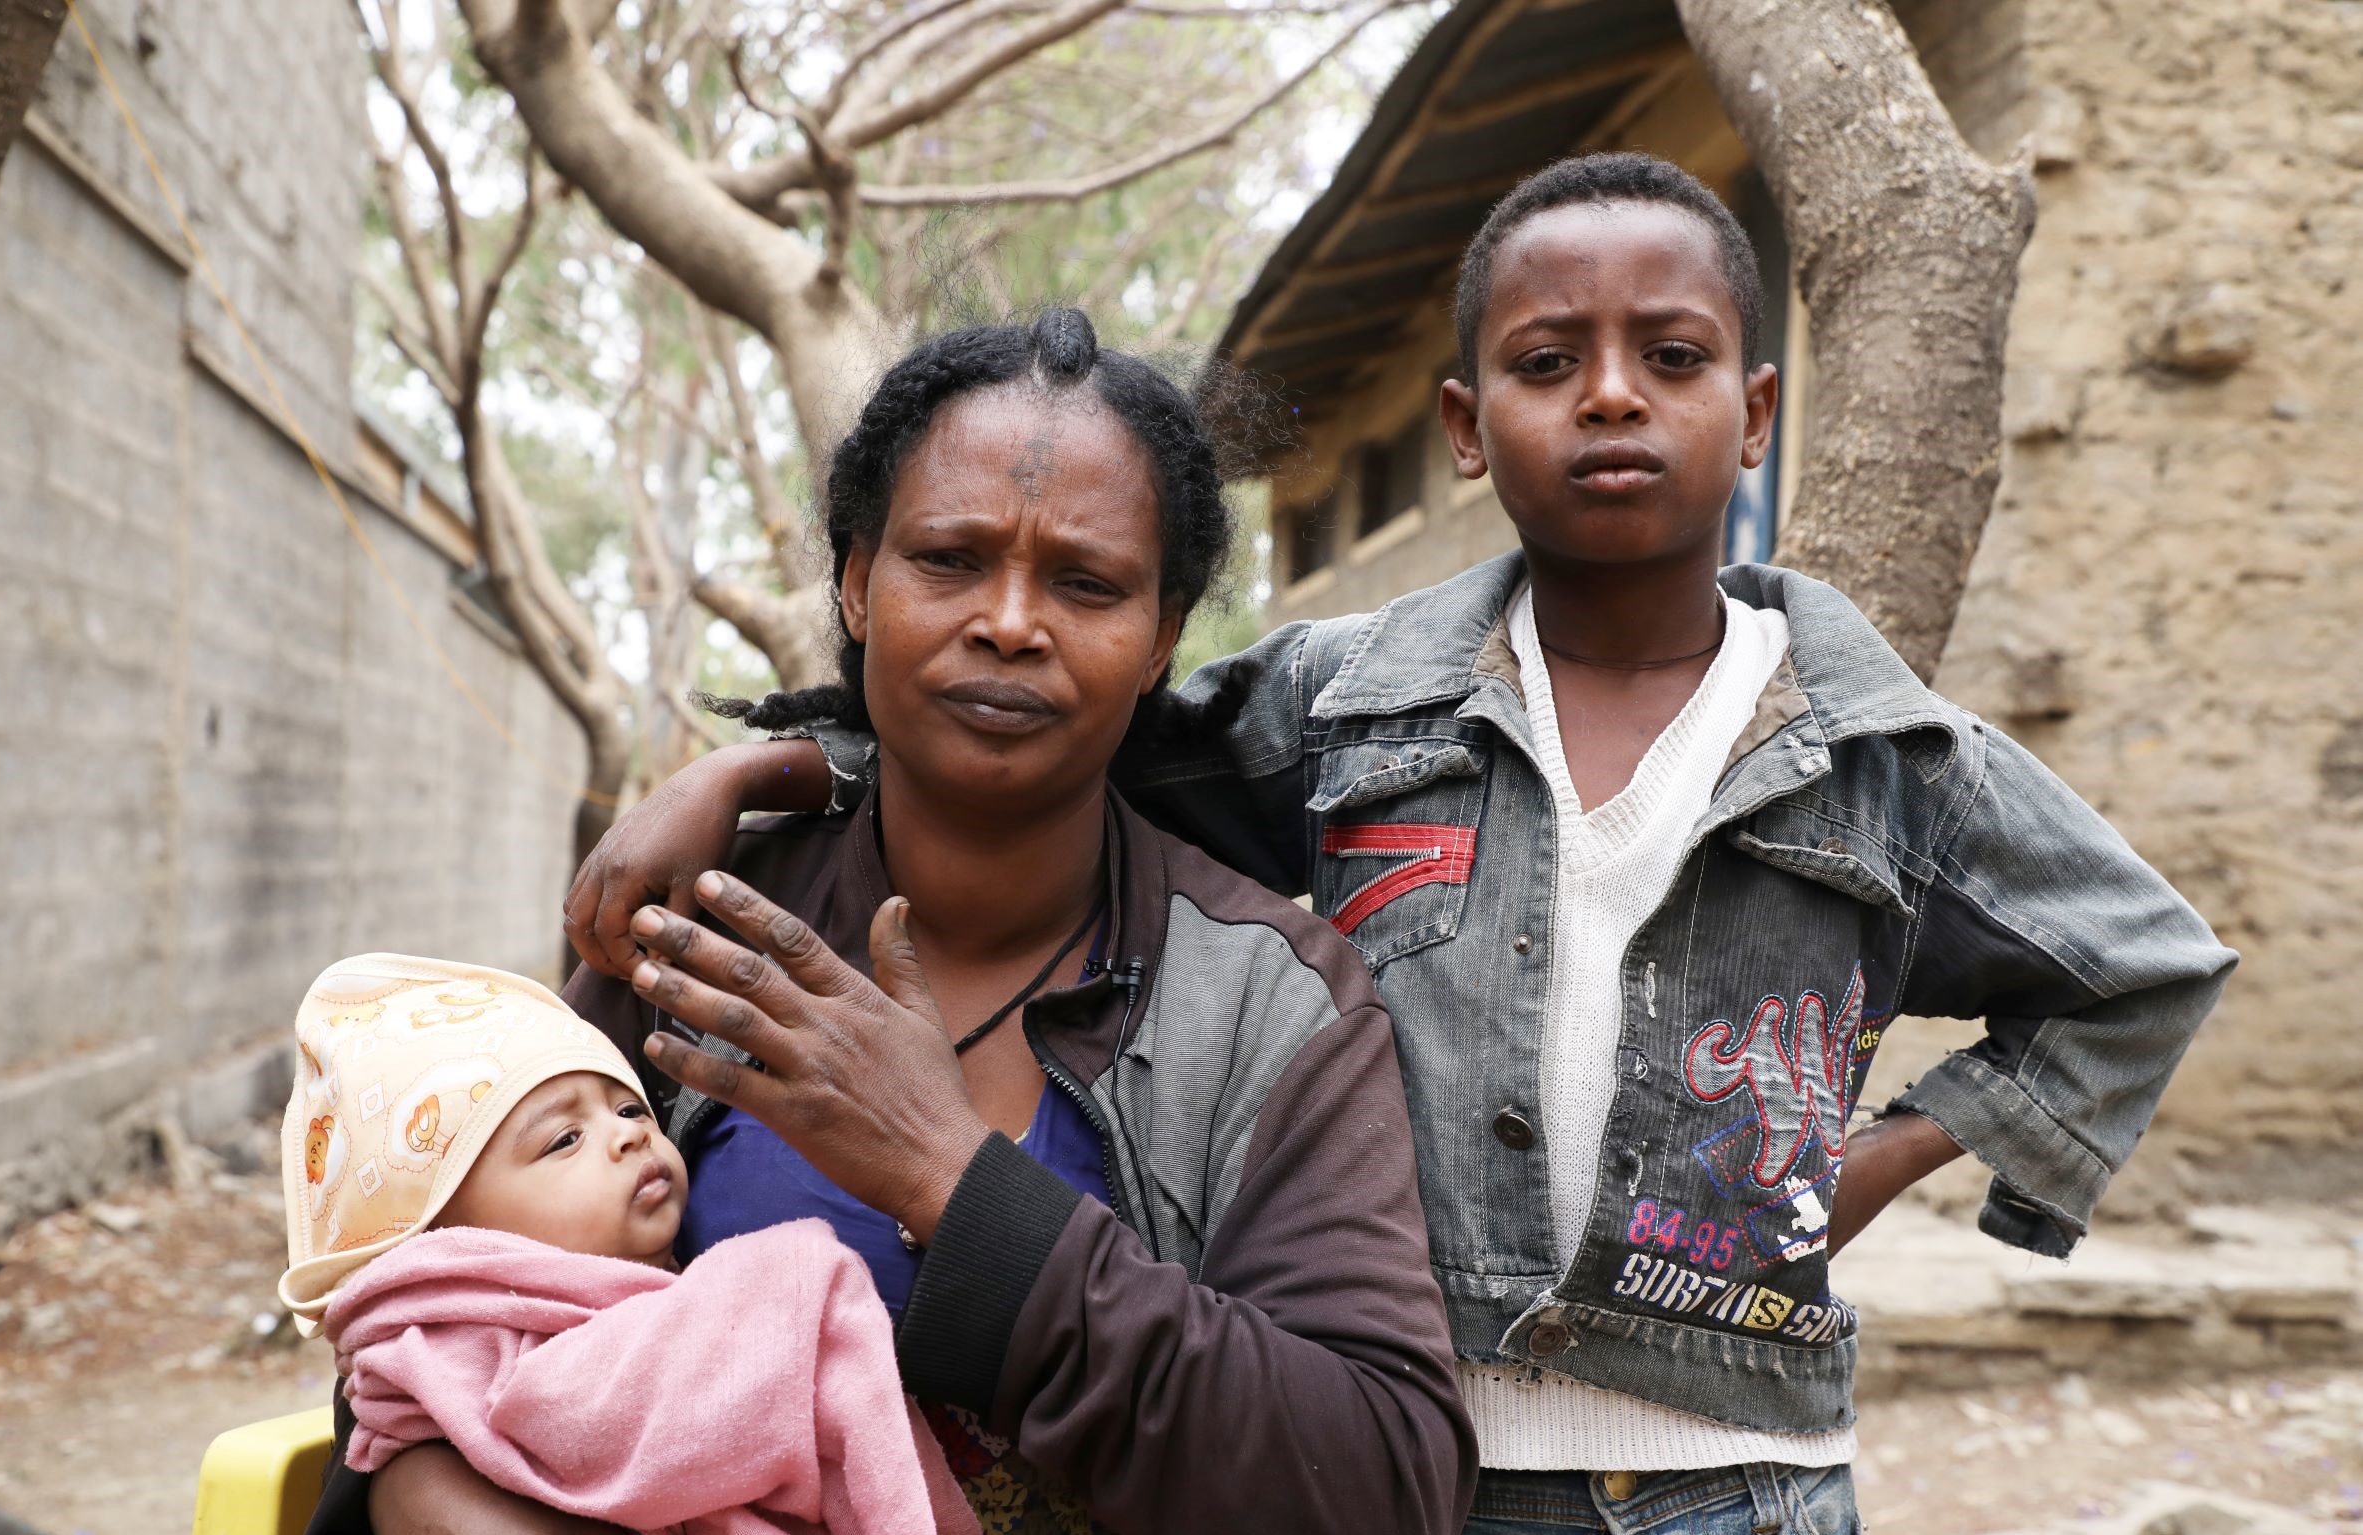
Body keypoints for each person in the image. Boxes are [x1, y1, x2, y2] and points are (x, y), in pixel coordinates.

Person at [571, 156, 2237, 1534]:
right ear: (1461, 424)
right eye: (1543, 363)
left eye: (1671, 359)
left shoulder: (1885, 755)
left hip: (1738, 1469)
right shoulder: (1356, 704)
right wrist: (767, 771)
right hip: (1436, 1439)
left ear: (1758, 406)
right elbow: (1057, 726)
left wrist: (1841, 1180)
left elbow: (2143, 969)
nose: (1608, 399)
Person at [331, 308, 1475, 1535]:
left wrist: (950, 1179)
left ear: (1161, 640)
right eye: (949, 559)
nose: (1010, 621)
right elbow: (427, 1328)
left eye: (1086, 584)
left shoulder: (1271, 1002)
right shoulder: (699, 929)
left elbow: (1381, 1481)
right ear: (855, 583)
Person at [278, 953, 976, 1535]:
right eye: (564, 1138)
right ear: (453, 1245)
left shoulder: (696, 1309)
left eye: (629, 1105)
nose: (630, 1133)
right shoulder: (451, 1397)